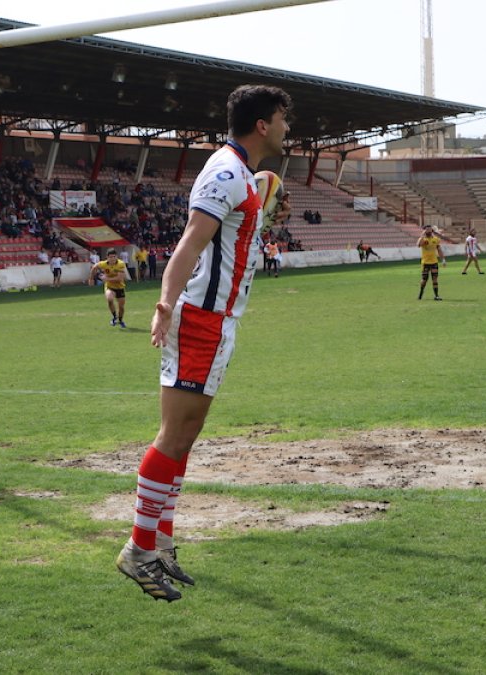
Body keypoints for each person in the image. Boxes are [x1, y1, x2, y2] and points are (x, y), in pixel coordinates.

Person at [115, 84, 292, 602]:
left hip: (217, 321)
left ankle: (161, 543)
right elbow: (190, 242)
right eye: (282, 118)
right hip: (201, 320)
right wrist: (166, 303)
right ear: (262, 124)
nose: (287, 126)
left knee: (184, 437)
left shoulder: (240, 173)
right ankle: (138, 550)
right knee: (173, 436)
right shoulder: (225, 172)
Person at [88, 248, 131, 327]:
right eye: (111, 257)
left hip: (120, 287)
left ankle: (120, 320)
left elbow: (120, 278)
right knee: (110, 299)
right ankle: (114, 317)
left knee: (121, 307)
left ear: (116, 257)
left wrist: (107, 279)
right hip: (109, 286)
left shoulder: (120, 264)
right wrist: (91, 279)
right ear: (107, 257)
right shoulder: (104, 264)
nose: (112, 259)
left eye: (114, 257)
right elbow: (94, 267)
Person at [417, 225, 446, 300]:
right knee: (424, 280)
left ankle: (436, 296)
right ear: (425, 231)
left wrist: (443, 260)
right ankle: (421, 292)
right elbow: (418, 245)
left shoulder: (436, 239)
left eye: (430, 230)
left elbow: (439, 250)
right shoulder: (423, 239)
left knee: (435, 279)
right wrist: (422, 235)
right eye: (427, 230)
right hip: (425, 263)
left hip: (434, 262)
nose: (429, 231)